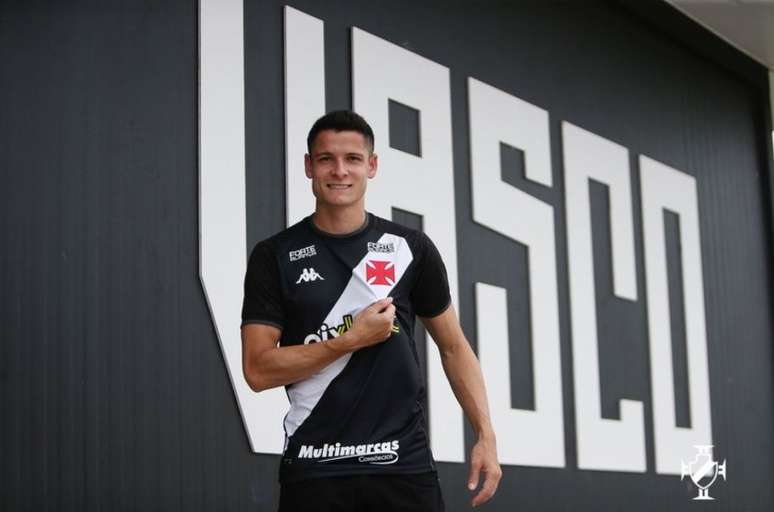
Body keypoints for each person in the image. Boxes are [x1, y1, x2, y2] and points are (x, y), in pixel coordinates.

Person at [241, 110, 501, 511]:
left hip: (402, 468)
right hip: (315, 470)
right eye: (326, 158)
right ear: (309, 166)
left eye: (353, 158)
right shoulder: (274, 255)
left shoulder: (409, 247)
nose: (339, 170)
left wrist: (485, 434)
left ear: (372, 166)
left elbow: (453, 347)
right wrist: (349, 341)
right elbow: (258, 370)